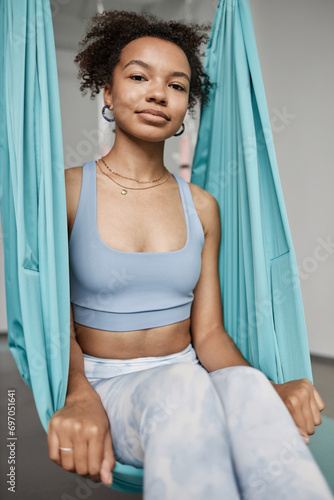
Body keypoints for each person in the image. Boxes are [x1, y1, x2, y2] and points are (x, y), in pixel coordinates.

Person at [47, 10, 333, 500]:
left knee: (242, 389)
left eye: (176, 85)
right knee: (183, 387)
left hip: (190, 376)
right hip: (109, 384)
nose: (159, 93)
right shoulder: (67, 192)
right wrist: (79, 395)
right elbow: (53, 321)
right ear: (108, 94)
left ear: (185, 107)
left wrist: (265, 393)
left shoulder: (201, 206)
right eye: (139, 77)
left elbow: (209, 333)